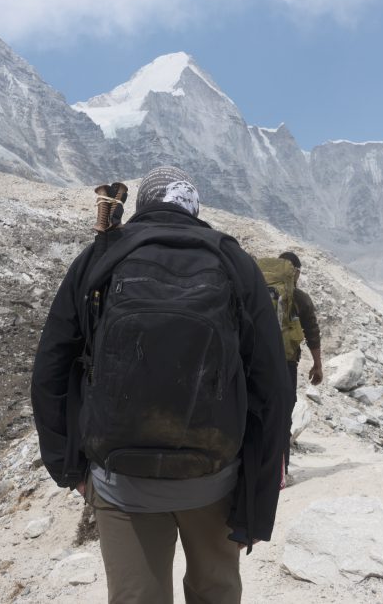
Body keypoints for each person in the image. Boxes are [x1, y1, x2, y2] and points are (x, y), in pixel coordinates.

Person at [32, 166, 290, 604]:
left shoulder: (101, 257)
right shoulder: (234, 262)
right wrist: (259, 486)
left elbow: (51, 370)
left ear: (141, 206)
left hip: (120, 482)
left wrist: (69, 469)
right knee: (216, 593)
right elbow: (273, 386)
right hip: (215, 478)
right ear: (194, 208)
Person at [277, 251, 322, 478]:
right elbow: (312, 332)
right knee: (283, 416)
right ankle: (280, 473)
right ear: (296, 272)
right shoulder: (300, 298)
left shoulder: (258, 289)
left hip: (255, 363)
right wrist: (317, 365)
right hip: (285, 364)